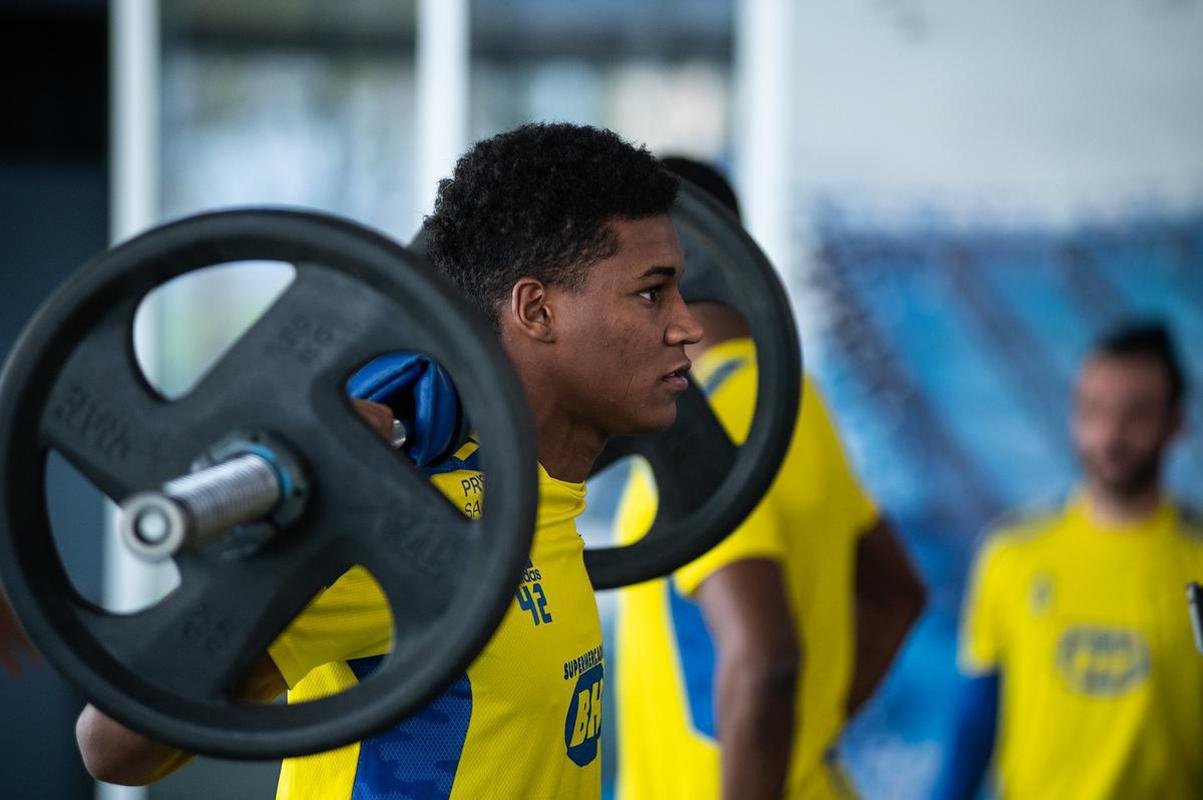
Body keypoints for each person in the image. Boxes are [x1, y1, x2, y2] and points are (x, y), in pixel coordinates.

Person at [74, 122, 703, 800]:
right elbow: (113, 745)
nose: (688, 325)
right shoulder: (418, 532)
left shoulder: (541, 508)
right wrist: (290, 543)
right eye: (652, 293)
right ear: (536, 310)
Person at [613, 157, 926, 800]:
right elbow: (897, 594)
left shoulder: (713, 417)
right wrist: (802, 737)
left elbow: (765, 658)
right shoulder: (792, 398)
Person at [932, 322, 1203, 799]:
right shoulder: (1012, 556)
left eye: (1136, 414)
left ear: (1176, 422)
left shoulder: (1196, 562)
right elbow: (975, 726)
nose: (1111, 434)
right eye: (1094, 410)